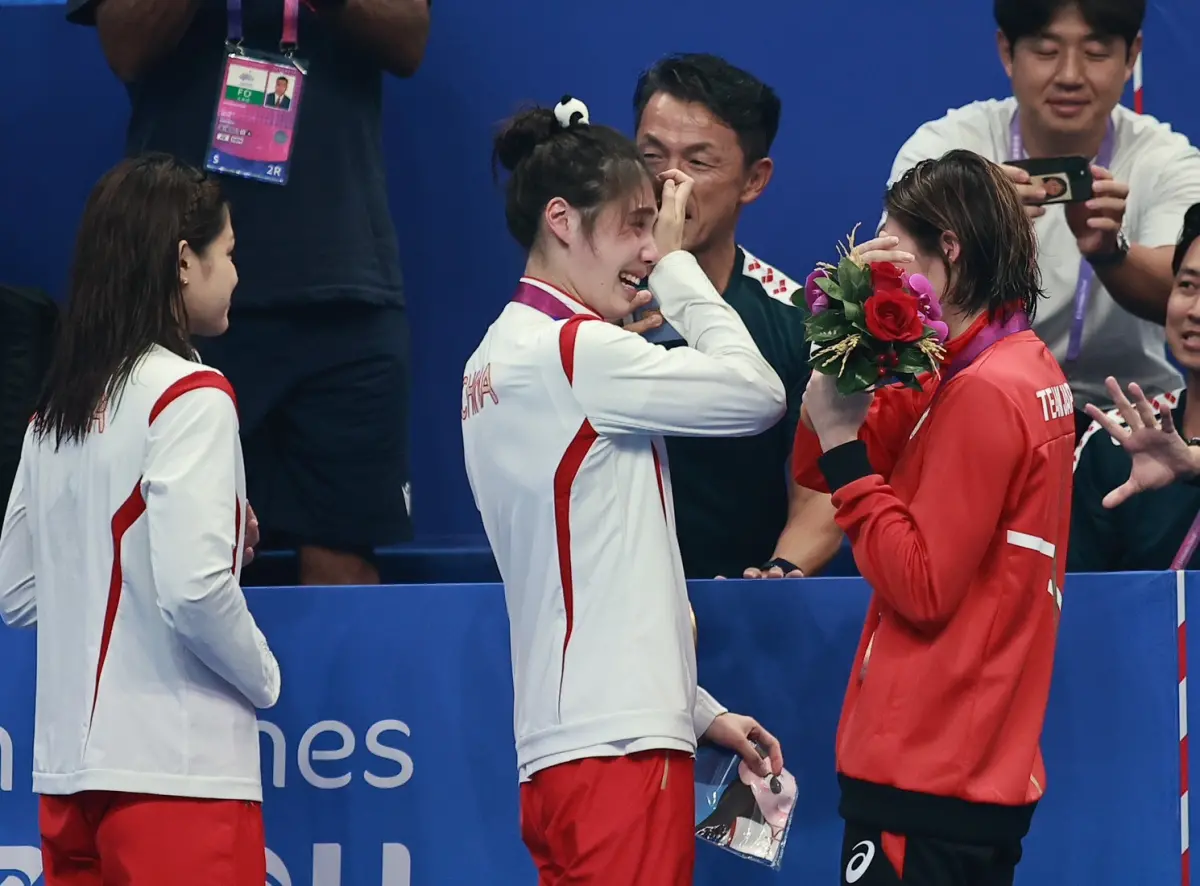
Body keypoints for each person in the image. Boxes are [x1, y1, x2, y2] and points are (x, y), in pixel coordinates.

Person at [462, 97, 785, 885]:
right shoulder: (577, 353)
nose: (649, 246)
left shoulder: (489, 361)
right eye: (637, 224)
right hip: (619, 756)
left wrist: (697, 708)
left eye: (655, 227)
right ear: (563, 220)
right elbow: (758, 392)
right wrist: (679, 271)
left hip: (567, 752)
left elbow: (596, 575)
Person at [65, 0, 432, 586]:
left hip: (340, 292)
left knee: (343, 555)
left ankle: (330, 685)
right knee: (187, 554)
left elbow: (408, 38)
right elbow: (125, 47)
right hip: (178, 293)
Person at [795, 151, 1074, 885]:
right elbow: (813, 465)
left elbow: (920, 586)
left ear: (947, 247)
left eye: (891, 243)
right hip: (967, 764)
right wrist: (855, 355)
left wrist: (842, 448)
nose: (877, 263)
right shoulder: (1017, 366)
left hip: (927, 772)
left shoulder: (985, 391)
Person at [0, 154, 280, 884]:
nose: (237, 275)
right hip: (177, 779)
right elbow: (193, 592)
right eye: (229, 254)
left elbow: (20, 592)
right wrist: (263, 673)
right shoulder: (191, 395)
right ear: (184, 261)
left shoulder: (51, 414)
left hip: (67, 787)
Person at [885, 0, 1200, 434]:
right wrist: (981, 226)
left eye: (1095, 53)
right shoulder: (945, 149)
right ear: (1006, 51)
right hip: (976, 402)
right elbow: (894, 282)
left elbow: (1187, 295)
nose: (1070, 75)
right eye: (1046, 51)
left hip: (1131, 411)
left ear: (1132, 56)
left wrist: (1111, 254)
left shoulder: (1170, 162)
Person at [627, 53, 841, 580]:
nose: (669, 183)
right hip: (606, 612)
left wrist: (775, 574)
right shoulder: (585, 304)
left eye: (698, 163)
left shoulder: (800, 321)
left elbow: (819, 491)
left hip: (744, 610)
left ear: (754, 180)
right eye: (652, 156)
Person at [1072, 204, 1200, 560]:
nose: (1196, 310)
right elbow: (1081, 596)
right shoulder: (1114, 442)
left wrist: (1193, 464)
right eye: (1187, 285)